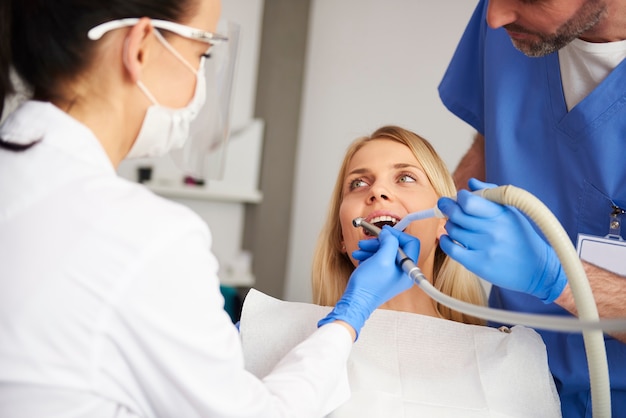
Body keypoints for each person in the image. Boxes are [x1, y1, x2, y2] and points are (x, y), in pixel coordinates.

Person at [0, 1, 421, 416]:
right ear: (141, 47)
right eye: (201, 53)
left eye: (405, 178)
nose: (378, 195)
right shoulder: (144, 236)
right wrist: (350, 315)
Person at [438, 0, 626, 415]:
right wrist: (431, 232)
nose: (495, 17)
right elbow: (494, 137)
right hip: (502, 375)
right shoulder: (505, 17)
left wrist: (555, 278)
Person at [312, 125, 486, 325]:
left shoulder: (502, 349)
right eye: (358, 183)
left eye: (405, 178)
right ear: (341, 236)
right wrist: (349, 314)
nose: (377, 190)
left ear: (443, 222)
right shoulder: (289, 328)